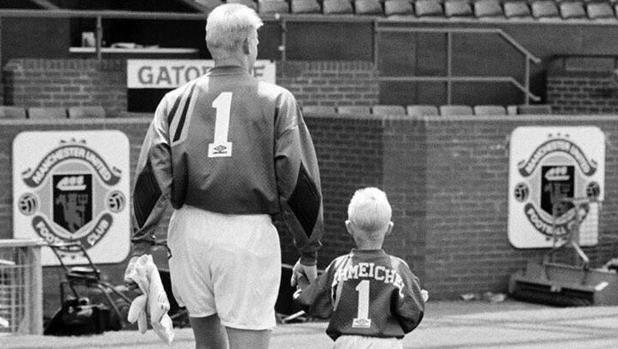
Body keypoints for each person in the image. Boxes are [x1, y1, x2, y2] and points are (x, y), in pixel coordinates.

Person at [125, 4, 324, 349]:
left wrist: (141, 245)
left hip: (189, 230)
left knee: (208, 345)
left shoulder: (174, 100)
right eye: (257, 40)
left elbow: (152, 175)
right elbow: (297, 180)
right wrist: (308, 251)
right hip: (245, 233)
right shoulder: (278, 100)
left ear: (210, 44)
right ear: (248, 45)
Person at [295, 187, 425, 349]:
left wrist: (301, 282)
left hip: (347, 341)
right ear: (389, 228)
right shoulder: (398, 268)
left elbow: (313, 303)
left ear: (349, 227)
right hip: (385, 342)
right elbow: (413, 313)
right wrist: (419, 298)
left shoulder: (339, 266)